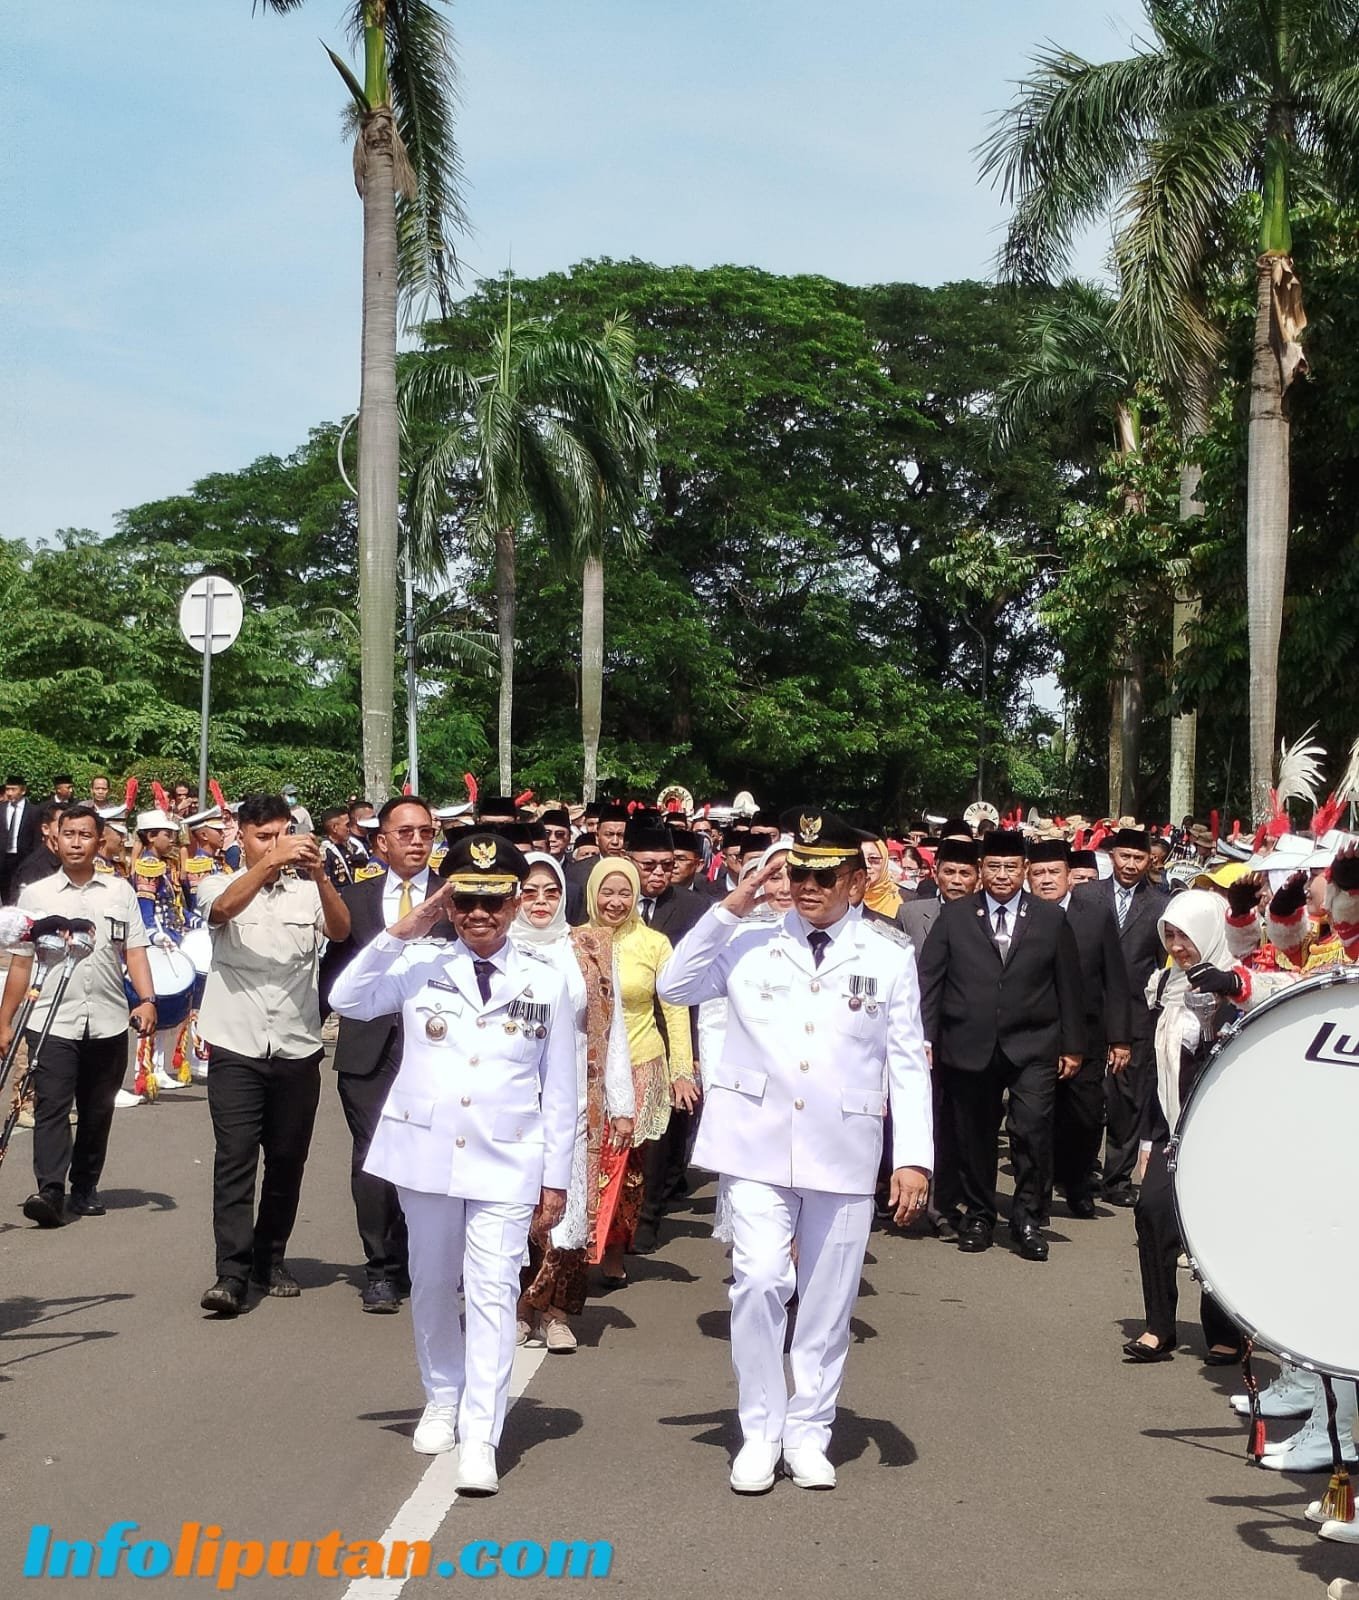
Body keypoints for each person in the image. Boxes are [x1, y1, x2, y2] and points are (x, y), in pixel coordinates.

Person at [659, 810, 932, 1493]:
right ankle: (760, 1429)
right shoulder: (748, 940)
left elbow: (906, 1063)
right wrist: (732, 904)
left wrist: (913, 1157)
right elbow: (674, 986)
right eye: (799, 873)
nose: (807, 886)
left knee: (827, 1300)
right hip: (754, 1142)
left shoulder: (887, 955)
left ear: (857, 882)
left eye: (824, 875)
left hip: (843, 1147)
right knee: (757, 1280)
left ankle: (809, 1429)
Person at [328, 834, 578, 1495]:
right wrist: (405, 927)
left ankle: (482, 1434)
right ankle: (442, 1395)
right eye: (465, 901)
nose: (478, 915)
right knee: (433, 1282)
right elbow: (347, 998)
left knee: (493, 1292)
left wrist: (557, 1178)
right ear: (449, 902)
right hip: (428, 1152)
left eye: (492, 902)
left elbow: (561, 1089)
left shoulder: (547, 980)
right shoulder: (418, 962)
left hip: (506, 1157)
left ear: (515, 904)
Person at [194, 794, 350, 1316]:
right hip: (236, 1042)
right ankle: (231, 1272)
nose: (275, 844)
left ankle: (270, 1256)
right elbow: (221, 911)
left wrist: (320, 875)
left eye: (283, 834)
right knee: (235, 1157)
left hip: (296, 1043)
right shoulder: (218, 882)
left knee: (286, 1160)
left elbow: (340, 929)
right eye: (263, 836)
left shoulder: (307, 892)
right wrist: (269, 864)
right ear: (241, 836)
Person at [918, 829, 1085, 1261]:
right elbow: (931, 980)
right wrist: (925, 1037)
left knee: (1031, 1129)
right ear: (981, 870)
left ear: (1025, 870)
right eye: (993, 866)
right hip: (968, 1043)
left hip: (1033, 1043)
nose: (1002, 875)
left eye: (1011, 867)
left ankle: (1027, 1218)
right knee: (974, 1134)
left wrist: (1073, 1045)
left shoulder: (1049, 918)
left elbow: (1068, 984)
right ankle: (979, 1215)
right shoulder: (956, 916)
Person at [1122, 890, 1269, 1366]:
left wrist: (1219, 1003)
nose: (1177, 946)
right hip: (1172, 1127)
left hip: (1223, 1132)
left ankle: (1224, 1330)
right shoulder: (1165, 986)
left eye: (1185, 936)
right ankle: (1158, 1326)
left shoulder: (1242, 985)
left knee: (1216, 1227)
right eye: (1169, 935)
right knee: (1152, 1213)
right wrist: (1148, 1138)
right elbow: (1157, 1071)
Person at [0, 804, 157, 1225]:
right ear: (55, 839)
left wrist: (147, 999)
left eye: (85, 835)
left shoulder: (120, 892)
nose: (75, 843)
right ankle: (50, 1190)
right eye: (68, 834)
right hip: (50, 1019)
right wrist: (4, 1020)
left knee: (97, 1108)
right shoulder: (36, 895)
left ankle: (84, 1186)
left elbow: (135, 952)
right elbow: (21, 963)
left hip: (108, 1018)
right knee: (51, 1104)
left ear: (99, 841)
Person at [323, 797, 445, 1313]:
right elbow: (333, 971)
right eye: (405, 833)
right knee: (373, 1154)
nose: (417, 841)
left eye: (425, 832)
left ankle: (426, 1260)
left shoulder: (454, 895)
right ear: (381, 841)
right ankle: (380, 1269)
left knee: (430, 1152)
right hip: (369, 1047)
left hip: (436, 1045)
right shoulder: (354, 898)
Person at [512, 853, 634, 1351]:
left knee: (570, 1212)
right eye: (529, 892)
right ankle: (520, 1308)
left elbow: (612, 1026)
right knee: (517, 1210)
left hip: (579, 1099)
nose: (540, 902)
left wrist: (621, 1103)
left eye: (551, 891)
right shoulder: (499, 948)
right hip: (516, 1101)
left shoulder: (589, 947)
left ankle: (557, 1313)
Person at [584, 857, 697, 1278]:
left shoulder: (654, 944)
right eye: (607, 892)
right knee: (587, 1164)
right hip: (589, 1070)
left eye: (624, 893)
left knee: (629, 1167)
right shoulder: (574, 941)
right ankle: (579, 1247)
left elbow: (675, 1009)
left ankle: (615, 1249)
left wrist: (681, 1071)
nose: (615, 902)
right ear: (593, 894)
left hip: (641, 1065)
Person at [1025, 840, 1131, 1219]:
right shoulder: (1023, 916)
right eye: (1038, 873)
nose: (1046, 880)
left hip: (1087, 1036)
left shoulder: (1095, 916)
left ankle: (1077, 1182)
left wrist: (1120, 1038)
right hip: (1036, 1035)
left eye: (1054, 872)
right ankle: (1036, 1195)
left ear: (1070, 876)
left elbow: (1115, 978)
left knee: (1085, 1117)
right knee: (1037, 1119)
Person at [1072, 826, 1169, 1206]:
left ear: (1150, 861)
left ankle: (1117, 1179)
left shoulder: (1159, 904)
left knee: (1128, 1098)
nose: (1130, 864)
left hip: (1136, 1012)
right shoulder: (1086, 895)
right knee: (1086, 1098)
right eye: (1124, 856)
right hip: (1090, 1009)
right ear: (1112, 856)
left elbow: (1162, 962)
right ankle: (1081, 1173)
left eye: (1138, 858)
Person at [625, 823, 707, 1252]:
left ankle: (648, 1217)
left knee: (660, 1136)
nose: (658, 873)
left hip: (671, 1031)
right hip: (621, 1032)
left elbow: (693, 992)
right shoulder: (607, 899)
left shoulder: (695, 909)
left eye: (666, 865)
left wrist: (688, 1057)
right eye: (648, 865)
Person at [9, 800, 64, 897]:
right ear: (46, 829)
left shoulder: (71, 863)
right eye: (62, 827)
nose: (68, 835)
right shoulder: (32, 869)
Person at [1, 776, 39, 904]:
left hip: (23, 857)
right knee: (5, 891)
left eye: (13, 789)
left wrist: (34, 859)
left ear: (23, 791)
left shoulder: (34, 811)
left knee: (21, 889)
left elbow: (36, 837)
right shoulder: (1, 809)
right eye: (7, 789)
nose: (9, 793)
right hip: (3, 858)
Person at [860, 837, 903, 922]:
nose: (866, 865)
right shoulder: (841, 900)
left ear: (885, 861)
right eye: (860, 859)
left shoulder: (906, 900)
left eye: (873, 858)